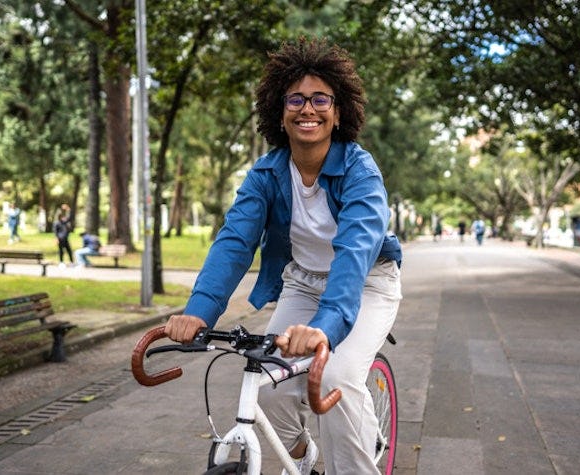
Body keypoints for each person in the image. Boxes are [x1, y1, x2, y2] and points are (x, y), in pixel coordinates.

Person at [162, 37, 402, 475]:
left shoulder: (359, 172)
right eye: (295, 98)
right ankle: (306, 458)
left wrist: (324, 329)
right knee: (266, 383)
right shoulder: (267, 172)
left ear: (338, 111)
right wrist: (198, 313)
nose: (307, 108)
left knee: (335, 378)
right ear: (279, 111)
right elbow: (234, 242)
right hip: (303, 282)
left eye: (319, 99)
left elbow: (354, 255)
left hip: (365, 284)